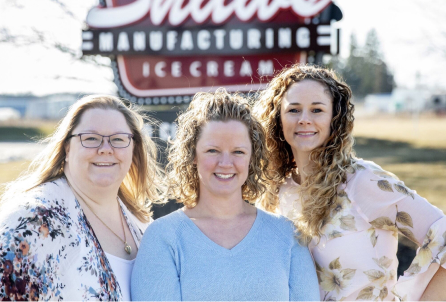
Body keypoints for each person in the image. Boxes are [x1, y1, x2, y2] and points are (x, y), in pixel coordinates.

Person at [254, 64, 446, 301]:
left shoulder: (362, 181)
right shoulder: (276, 190)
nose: (304, 119)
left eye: (317, 110)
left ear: (334, 118)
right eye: (294, 110)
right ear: (278, 118)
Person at [0, 95, 164, 301]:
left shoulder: (140, 222)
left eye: (118, 139)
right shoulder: (28, 224)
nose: (106, 148)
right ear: (67, 148)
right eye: (90, 138)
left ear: (133, 149)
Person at [131, 89, 320, 301]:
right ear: (193, 155)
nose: (225, 163)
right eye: (213, 150)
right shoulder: (163, 237)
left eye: (238, 152)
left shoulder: (287, 235)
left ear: (252, 157)